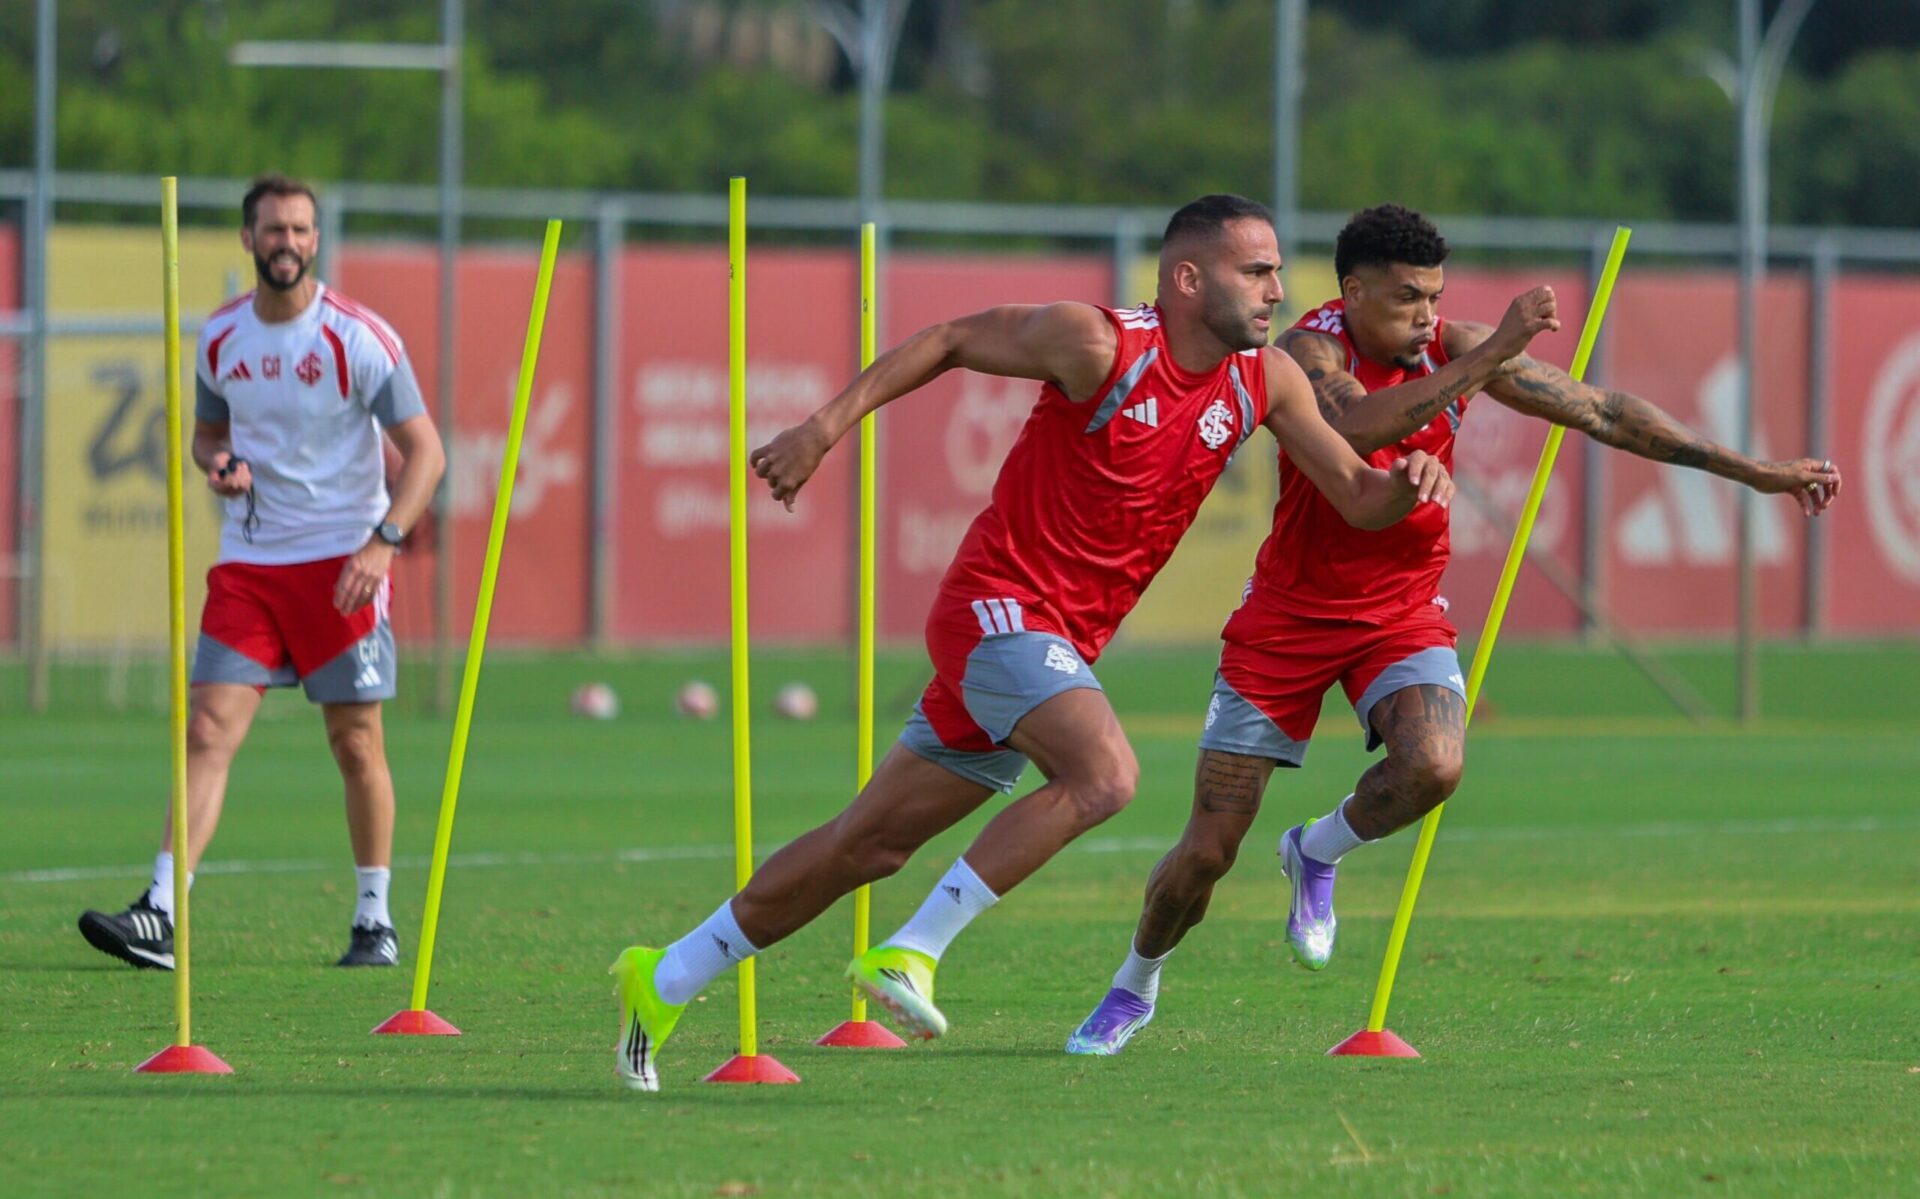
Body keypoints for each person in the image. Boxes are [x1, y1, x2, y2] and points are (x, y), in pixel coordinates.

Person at [608, 194, 1455, 1091]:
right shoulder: (1098, 343)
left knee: (868, 844)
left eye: (1278, 271)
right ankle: (912, 951)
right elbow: (947, 339)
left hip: (1057, 642)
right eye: (1256, 271)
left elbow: (1357, 495)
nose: (1277, 290)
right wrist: (824, 427)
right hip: (995, 606)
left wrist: (1408, 484)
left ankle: (662, 977)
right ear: (1187, 278)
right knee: (1106, 774)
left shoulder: (1265, 379)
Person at [1067, 203, 1843, 1055]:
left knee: (1435, 764)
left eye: (1435, 296)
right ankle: (1134, 985)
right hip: (1286, 619)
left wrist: (1756, 473)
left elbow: (1606, 412)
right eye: (1406, 298)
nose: (1426, 316)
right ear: (1352, 293)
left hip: (1401, 614)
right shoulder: (1307, 352)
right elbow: (1356, 426)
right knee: (1209, 850)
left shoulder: (1455, 348)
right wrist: (1491, 353)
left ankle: (1316, 850)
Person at [77, 174, 446, 971]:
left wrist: (382, 542)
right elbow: (208, 437)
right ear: (249, 239)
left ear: (317, 240)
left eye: (301, 230)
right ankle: (161, 909)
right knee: (206, 728)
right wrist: (220, 465)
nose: (288, 243)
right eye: (275, 229)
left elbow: (427, 453)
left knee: (355, 743)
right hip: (251, 562)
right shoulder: (222, 337)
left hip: (342, 566)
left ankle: (374, 918)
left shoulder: (359, 337)